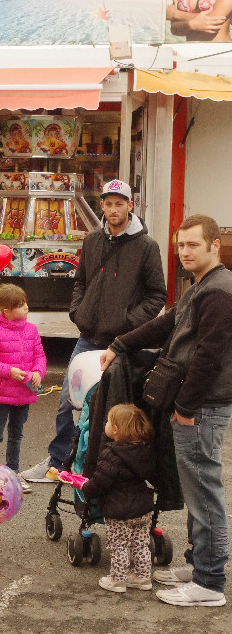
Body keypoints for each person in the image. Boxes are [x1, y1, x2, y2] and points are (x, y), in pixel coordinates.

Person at [101, 214, 232, 608]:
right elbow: (165, 324)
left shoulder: (219, 291)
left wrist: (187, 407)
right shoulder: (200, 288)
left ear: (215, 246)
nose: (185, 252)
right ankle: (198, 565)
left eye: (194, 244)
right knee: (196, 491)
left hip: (202, 408)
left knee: (205, 492)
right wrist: (119, 345)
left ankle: (209, 584)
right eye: (181, 245)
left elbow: (210, 355)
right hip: (196, 406)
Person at [21, 179, 166, 484]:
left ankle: (103, 466)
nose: (114, 209)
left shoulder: (146, 247)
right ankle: (57, 461)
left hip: (123, 343)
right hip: (87, 338)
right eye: (109, 203)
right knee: (68, 403)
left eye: (120, 203)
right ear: (102, 205)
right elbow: (81, 282)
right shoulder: (92, 241)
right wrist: (78, 311)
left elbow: (157, 295)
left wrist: (128, 322)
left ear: (130, 206)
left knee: (113, 407)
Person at [77, 404, 156, 594]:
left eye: (108, 422)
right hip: (142, 508)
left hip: (119, 509)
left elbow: (101, 482)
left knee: (118, 544)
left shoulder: (111, 454)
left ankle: (117, 579)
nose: (105, 425)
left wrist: (85, 487)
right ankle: (143, 577)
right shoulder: (144, 450)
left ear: (116, 429)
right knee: (140, 543)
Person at [0, 284, 46, 494]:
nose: (26, 307)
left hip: (24, 393)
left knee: (16, 435)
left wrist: (37, 372)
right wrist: (10, 371)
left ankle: (13, 473)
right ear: (6, 311)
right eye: (20, 305)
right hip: (1, 395)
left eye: (25, 303)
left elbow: (40, 357)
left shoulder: (32, 330)